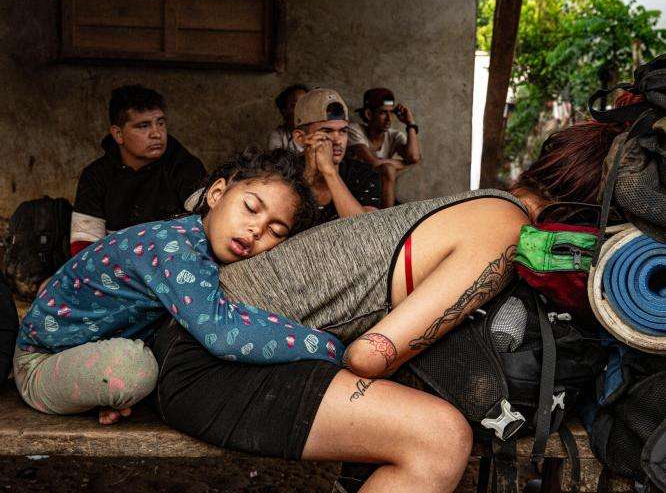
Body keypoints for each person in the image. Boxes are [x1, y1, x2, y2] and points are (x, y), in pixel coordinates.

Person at [151, 91, 642, 491]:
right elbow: (368, 356)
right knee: (438, 437)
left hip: (212, 342)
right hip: (210, 359)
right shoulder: (503, 230)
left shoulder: (485, 204)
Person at [14, 150, 345, 425]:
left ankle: (101, 386)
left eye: (275, 230)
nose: (257, 228)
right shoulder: (173, 247)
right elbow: (222, 331)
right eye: (251, 207)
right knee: (135, 369)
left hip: (89, 353)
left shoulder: (199, 247)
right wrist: (331, 348)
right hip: (42, 362)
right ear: (216, 194)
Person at [70, 84, 207, 256]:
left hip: (176, 264)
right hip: (116, 269)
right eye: (143, 126)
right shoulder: (96, 176)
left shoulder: (185, 166)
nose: (156, 133)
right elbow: (85, 247)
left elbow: (210, 222)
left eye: (161, 123)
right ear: (118, 134)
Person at [292, 88, 382, 224]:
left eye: (343, 131)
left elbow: (365, 230)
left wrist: (330, 173)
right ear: (300, 137)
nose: (337, 140)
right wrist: (309, 175)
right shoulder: (284, 170)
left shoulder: (363, 174)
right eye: (326, 131)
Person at [348, 88, 422, 208]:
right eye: (383, 112)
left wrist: (410, 124)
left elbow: (414, 157)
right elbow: (372, 162)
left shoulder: (394, 136)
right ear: (369, 114)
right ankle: (387, 216)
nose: (389, 118)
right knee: (388, 169)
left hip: (381, 191)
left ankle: (387, 216)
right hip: (356, 190)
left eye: (391, 112)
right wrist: (403, 163)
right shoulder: (354, 130)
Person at [267, 84, 309, 153]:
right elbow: (277, 161)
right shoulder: (278, 136)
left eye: (306, 103)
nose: (303, 108)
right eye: (294, 105)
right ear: (284, 111)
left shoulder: (319, 129)